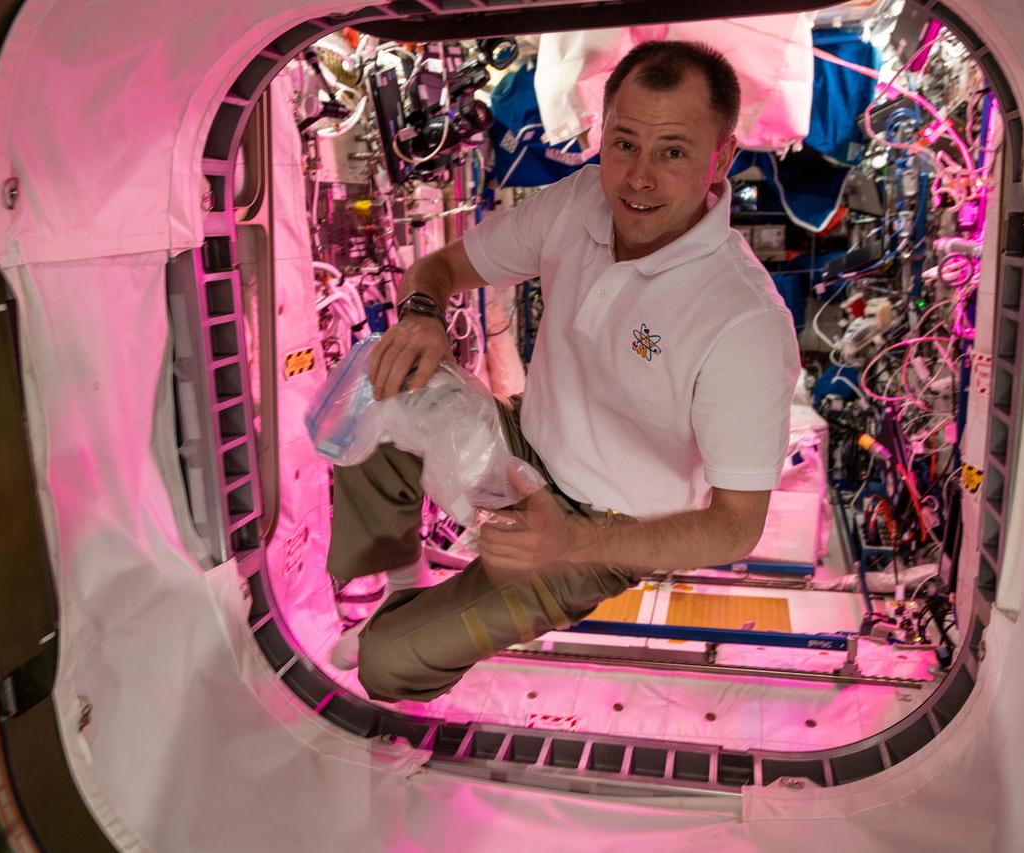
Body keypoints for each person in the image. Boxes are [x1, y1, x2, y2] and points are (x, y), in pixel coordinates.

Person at [326, 40, 800, 702]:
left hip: (607, 532)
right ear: (602, 134)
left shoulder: (743, 320)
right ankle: (400, 585)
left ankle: (398, 635)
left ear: (719, 158)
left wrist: (572, 540)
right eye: (625, 144)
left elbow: (735, 526)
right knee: (381, 381)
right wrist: (421, 314)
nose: (638, 179)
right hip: (522, 446)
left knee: (386, 666)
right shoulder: (578, 202)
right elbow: (439, 268)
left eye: (672, 152)